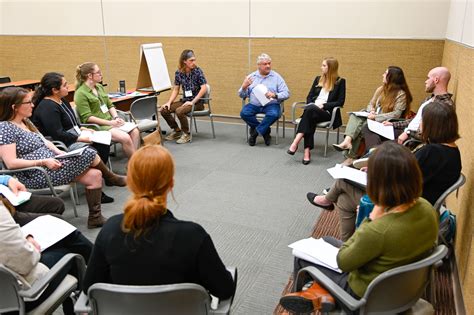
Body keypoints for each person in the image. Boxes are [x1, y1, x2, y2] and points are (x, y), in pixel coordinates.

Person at [280, 141, 438, 314]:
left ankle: (312, 295)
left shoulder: (378, 229)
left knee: (301, 255)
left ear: (379, 184)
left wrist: (369, 218)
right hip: (404, 288)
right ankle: (321, 294)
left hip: (364, 294)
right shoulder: (427, 208)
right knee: (325, 240)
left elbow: (343, 261)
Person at [83, 145, 235, 300]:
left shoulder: (110, 229)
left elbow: (89, 287)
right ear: (171, 185)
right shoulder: (192, 235)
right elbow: (224, 290)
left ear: (131, 183)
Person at [307, 100, 461, 240]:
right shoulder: (453, 152)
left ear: (432, 125)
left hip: (403, 207)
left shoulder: (431, 152)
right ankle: (346, 243)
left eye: (422, 121)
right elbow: (407, 173)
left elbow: (400, 183)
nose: (420, 124)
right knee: (344, 198)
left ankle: (344, 238)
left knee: (343, 184)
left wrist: (376, 175)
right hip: (417, 204)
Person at [0, 87, 110, 228]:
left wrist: (60, 153)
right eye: (29, 102)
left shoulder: (25, 121)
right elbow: (11, 163)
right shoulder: (5, 128)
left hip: (52, 166)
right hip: (36, 174)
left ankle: (95, 218)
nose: (33, 105)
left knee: (95, 175)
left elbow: (45, 141)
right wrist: (43, 161)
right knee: (89, 152)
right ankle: (111, 177)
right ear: (15, 107)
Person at [32, 72, 126, 204]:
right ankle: (105, 180)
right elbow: (58, 134)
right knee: (92, 150)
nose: (67, 87)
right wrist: (79, 138)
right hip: (62, 143)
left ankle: (104, 179)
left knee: (104, 143)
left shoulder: (62, 100)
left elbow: (71, 122)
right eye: (64, 85)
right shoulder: (47, 107)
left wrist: (82, 128)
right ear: (54, 90)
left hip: (74, 134)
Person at [0, 201, 93, 314]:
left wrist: (24, 238)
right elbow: (24, 263)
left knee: (63, 237)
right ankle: (105, 277)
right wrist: (29, 244)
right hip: (17, 300)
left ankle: (103, 274)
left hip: (8, 293)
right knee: (69, 254)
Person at [362, 66, 454, 152]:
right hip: (406, 131)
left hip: (413, 139)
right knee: (368, 127)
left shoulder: (444, 105)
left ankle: (373, 155)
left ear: (436, 80)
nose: (426, 81)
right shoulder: (430, 99)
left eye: (428, 78)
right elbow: (414, 121)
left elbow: (430, 133)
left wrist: (408, 133)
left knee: (380, 149)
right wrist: (393, 124)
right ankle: (373, 154)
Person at [333, 66, 412, 164]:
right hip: (373, 117)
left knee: (361, 125)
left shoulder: (401, 94)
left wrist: (376, 117)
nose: (382, 75)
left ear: (392, 77)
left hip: (386, 123)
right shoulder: (381, 89)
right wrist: (372, 110)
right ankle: (348, 142)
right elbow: (371, 103)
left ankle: (350, 155)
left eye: (385, 73)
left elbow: (396, 114)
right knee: (355, 116)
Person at [74, 62, 140, 158]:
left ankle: (133, 163)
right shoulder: (80, 93)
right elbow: (88, 118)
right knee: (125, 138)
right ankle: (137, 165)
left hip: (110, 122)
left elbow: (109, 105)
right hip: (97, 127)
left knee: (135, 131)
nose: (101, 74)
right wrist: (110, 123)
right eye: (98, 72)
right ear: (90, 76)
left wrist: (116, 118)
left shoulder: (99, 87)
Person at [287, 57, 345, 164]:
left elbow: (340, 102)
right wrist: (312, 104)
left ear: (331, 68)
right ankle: (306, 152)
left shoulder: (340, 82)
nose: (321, 67)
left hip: (327, 113)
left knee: (309, 113)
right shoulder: (318, 79)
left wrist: (324, 105)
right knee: (310, 115)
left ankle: (296, 142)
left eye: (324, 65)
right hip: (313, 111)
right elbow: (309, 96)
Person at [239, 53, 290, 146]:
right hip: (254, 105)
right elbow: (241, 95)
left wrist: (274, 95)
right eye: (265, 64)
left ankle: (255, 133)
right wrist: (244, 87)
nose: (268, 66)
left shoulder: (276, 77)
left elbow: (287, 93)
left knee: (274, 114)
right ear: (259, 65)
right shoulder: (251, 77)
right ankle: (265, 132)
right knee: (244, 113)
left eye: (269, 63)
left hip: (271, 104)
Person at [159, 49, 208, 144]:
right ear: (184, 61)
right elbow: (176, 89)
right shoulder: (179, 73)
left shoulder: (198, 71)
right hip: (185, 101)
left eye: (194, 60)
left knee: (179, 111)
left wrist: (192, 102)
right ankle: (177, 130)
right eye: (191, 60)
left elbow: (204, 88)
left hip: (197, 103)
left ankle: (186, 134)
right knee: (164, 110)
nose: (194, 62)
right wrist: (169, 102)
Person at [0, 174, 64, 226]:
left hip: (7, 196)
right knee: (57, 221)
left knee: (57, 204)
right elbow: (11, 163)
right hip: (4, 211)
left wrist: (6, 179)